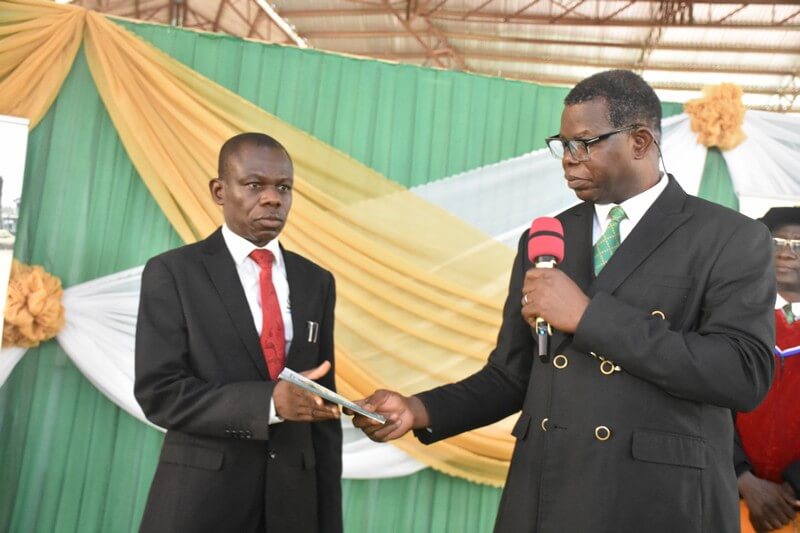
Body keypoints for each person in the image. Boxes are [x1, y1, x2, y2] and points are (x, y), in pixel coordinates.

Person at [351, 70, 776, 532]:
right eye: (563, 144)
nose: (569, 161)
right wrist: (418, 409)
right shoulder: (546, 237)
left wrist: (590, 317)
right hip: (548, 494)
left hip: (658, 502)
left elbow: (743, 373)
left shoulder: (729, 237)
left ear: (639, 141)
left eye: (585, 143)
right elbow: (511, 375)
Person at [134, 133, 342, 533]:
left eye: (283, 187)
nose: (272, 198)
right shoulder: (174, 273)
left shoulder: (317, 281)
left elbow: (322, 416)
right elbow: (159, 393)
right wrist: (268, 403)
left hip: (294, 509)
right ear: (219, 190)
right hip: (201, 506)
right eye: (254, 185)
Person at [735, 207, 800, 533]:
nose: (786, 252)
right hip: (731, 498)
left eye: (798, 244)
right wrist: (742, 478)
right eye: (776, 241)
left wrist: (793, 488)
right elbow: (704, 403)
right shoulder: (731, 318)